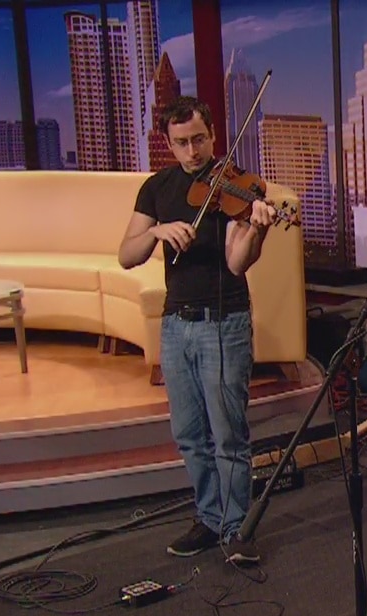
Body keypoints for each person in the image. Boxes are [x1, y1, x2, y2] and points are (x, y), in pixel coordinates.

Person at [118, 96, 276, 565]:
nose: (193, 151)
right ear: (168, 144)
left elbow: (237, 263)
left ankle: (235, 529)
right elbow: (126, 255)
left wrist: (258, 229)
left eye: (200, 140)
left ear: (212, 135)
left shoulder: (234, 187)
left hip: (223, 323)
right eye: (182, 143)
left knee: (228, 435)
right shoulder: (156, 189)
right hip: (175, 325)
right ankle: (209, 518)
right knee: (189, 433)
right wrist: (156, 232)